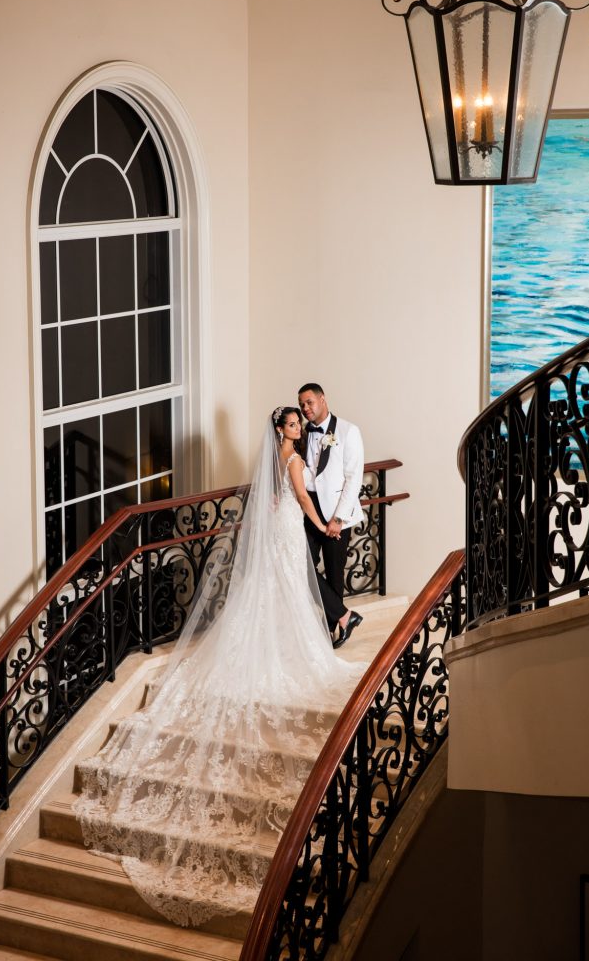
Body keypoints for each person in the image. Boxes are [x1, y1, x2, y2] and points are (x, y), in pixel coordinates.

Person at [73, 408, 366, 929]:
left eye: (300, 423)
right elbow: (299, 500)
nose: (299, 429)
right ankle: (294, 647)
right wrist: (323, 526)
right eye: (294, 424)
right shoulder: (293, 460)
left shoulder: (273, 459)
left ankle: (274, 641)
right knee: (291, 597)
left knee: (273, 595)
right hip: (290, 535)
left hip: (275, 536)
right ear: (285, 430)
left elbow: (272, 500)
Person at [297, 383, 365, 648]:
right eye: (302, 404)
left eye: (309, 402)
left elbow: (353, 479)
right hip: (309, 509)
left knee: (335, 573)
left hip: (337, 511)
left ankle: (332, 628)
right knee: (302, 567)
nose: (305, 408)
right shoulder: (302, 433)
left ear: (323, 399)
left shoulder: (348, 431)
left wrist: (338, 519)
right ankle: (346, 617)